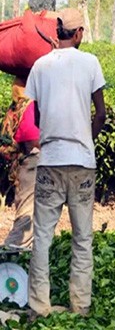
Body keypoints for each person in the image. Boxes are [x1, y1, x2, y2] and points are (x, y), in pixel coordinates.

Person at [25, 8, 107, 317]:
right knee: (83, 238)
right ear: (79, 33)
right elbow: (100, 113)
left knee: (42, 237)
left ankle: (38, 307)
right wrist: (86, 139)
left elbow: (35, 116)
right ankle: (81, 307)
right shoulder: (90, 63)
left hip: (50, 162)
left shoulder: (40, 65)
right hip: (82, 164)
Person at [1, 78, 41, 249]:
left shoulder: (16, 106)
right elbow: (33, 139)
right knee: (26, 220)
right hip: (32, 165)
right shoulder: (31, 107)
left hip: (24, 165)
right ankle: (9, 258)